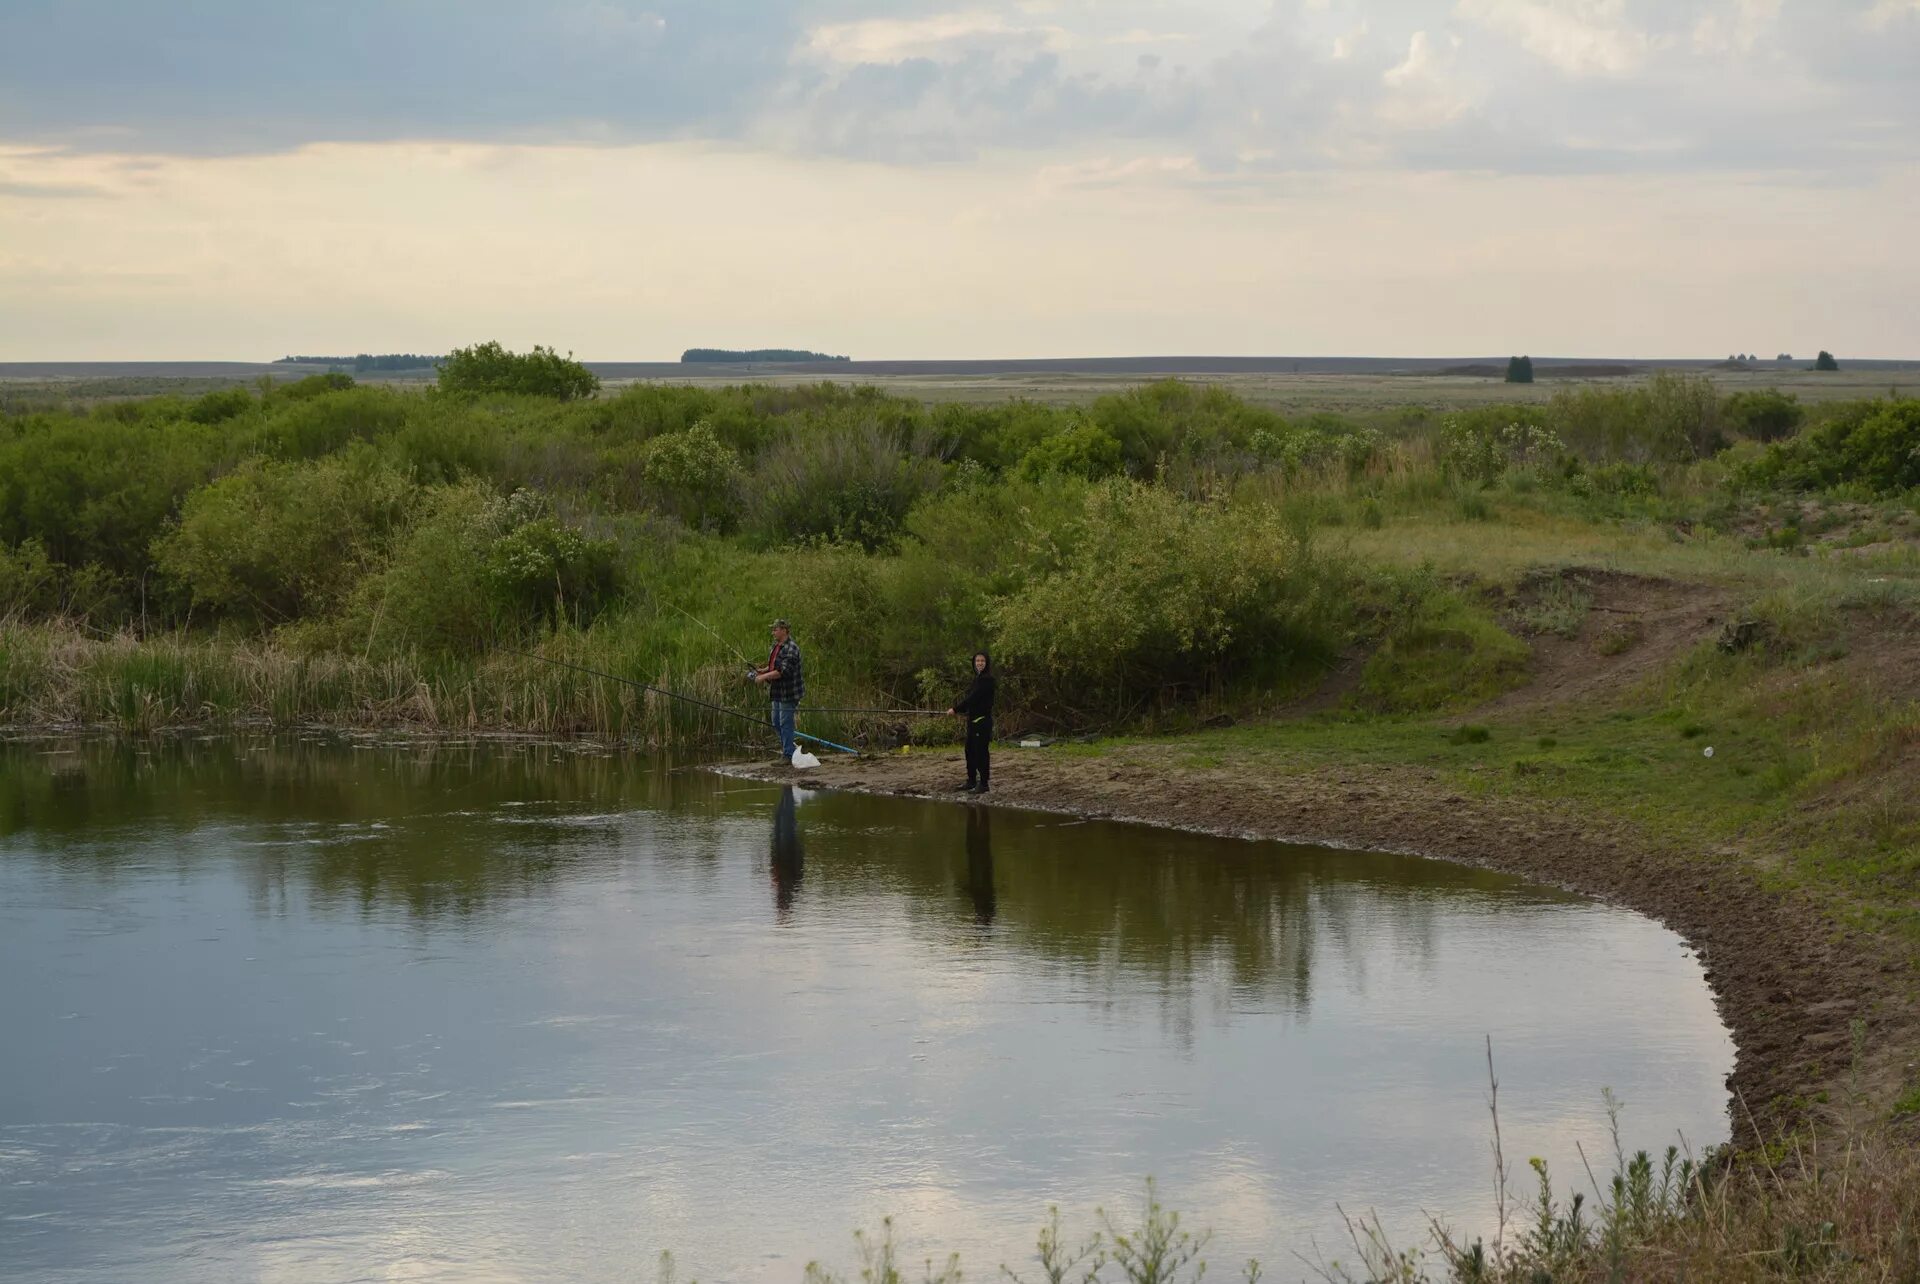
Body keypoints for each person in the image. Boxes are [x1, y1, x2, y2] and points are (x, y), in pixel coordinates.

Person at [749, 618, 804, 762]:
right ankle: (790, 749)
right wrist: (763, 670)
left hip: (789, 692)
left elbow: (782, 672)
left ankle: (788, 755)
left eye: (775, 629)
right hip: (777, 692)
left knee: (785, 722)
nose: (773, 632)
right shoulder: (776, 646)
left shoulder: (791, 648)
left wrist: (762, 678)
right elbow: (775, 665)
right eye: (773, 629)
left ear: (784, 630)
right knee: (776, 722)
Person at [947, 650, 995, 794]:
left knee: (981, 752)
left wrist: (955, 709)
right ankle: (971, 780)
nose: (979, 663)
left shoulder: (987, 679)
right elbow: (972, 700)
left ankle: (984, 783)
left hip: (982, 722)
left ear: (986, 663)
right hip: (972, 721)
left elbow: (973, 698)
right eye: (977, 661)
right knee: (970, 751)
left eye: (982, 661)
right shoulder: (977, 679)